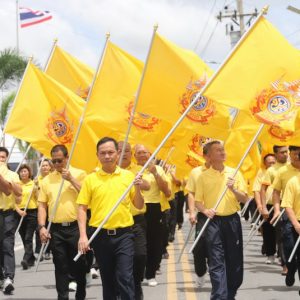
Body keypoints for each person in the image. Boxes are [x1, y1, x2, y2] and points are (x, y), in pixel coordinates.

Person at [77, 137, 144, 300]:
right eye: (103, 153)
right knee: (108, 280)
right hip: (100, 236)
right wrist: (83, 235)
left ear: (117, 154)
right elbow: (82, 208)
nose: (107, 156)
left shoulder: (128, 177)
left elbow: (139, 205)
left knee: (125, 277)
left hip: (124, 235)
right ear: (98, 155)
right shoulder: (90, 179)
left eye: (110, 152)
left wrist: (137, 186)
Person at [195, 140, 247, 300]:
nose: (222, 152)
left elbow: (245, 198)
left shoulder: (235, 173)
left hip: (232, 221)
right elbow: (198, 201)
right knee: (216, 259)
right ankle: (219, 295)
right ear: (209, 156)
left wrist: (234, 189)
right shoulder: (203, 176)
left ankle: (231, 291)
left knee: (234, 259)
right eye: (218, 150)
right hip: (212, 222)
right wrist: (205, 210)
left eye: (223, 149)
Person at [38, 145, 87, 300]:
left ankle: (81, 292)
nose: (57, 164)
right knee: (60, 265)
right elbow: (42, 205)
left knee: (79, 265)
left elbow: (88, 195)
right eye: (54, 161)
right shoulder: (46, 180)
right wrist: (42, 227)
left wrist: (71, 179)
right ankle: (62, 297)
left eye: (60, 160)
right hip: (56, 230)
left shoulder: (79, 174)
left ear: (67, 158)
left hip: (75, 228)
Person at [134, 144, 170, 287]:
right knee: (138, 244)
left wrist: (155, 173)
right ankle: (138, 271)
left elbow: (167, 191)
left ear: (150, 154)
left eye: (145, 152)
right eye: (139, 152)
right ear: (134, 155)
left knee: (154, 242)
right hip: (136, 208)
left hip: (154, 208)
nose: (142, 155)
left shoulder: (159, 169)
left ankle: (150, 273)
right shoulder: (131, 169)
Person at [118, 141, 149, 300]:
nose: (123, 153)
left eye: (127, 151)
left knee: (140, 255)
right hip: (118, 223)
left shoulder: (138, 169)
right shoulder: (111, 172)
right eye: (120, 150)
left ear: (132, 154)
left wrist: (136, 181)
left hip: (136, 221)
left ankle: (136, 283)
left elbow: (147, 185)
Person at [272, 145, 300, 286]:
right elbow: (276, 192)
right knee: (288, 247)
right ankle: (290, 267)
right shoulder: (283, 172)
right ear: (291, 154)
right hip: (288, 213)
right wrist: (277, 210)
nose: (297, 157)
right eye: (295, 154)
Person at [260, 146, 288, 267]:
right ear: (276, 154)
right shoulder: (271, 170)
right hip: (273, 205)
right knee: (270, 232)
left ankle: (285, 260)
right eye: (282, 152)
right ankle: (272, 254)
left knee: (284, 233)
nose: (285, 154)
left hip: (289, 206)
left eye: (287, 152)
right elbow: (263, 189)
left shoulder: (293, 168)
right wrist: (263, 207)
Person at [186, 150, 210, 288]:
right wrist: (192, 212)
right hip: (202, 214)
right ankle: (200, 273)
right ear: (205, 156)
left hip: (221, 215)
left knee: (217, 248)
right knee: (199, 247)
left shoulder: (227, 172)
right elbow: (191, 193)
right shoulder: (196, 172)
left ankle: (216, 273)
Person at [0, 146, 22, 295]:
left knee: (7, 244)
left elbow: (15, 192)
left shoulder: (13, 175)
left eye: (2, 157)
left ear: (6, 158)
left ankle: (9, 277)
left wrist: (4, 180)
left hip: (7, 214)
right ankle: (2, 277)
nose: (0, 159)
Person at [252, 153, 276, 259]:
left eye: (273, 162)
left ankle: (282, 255)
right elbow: (257, 190)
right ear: (265, 163)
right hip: (267, 205)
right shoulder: (261, 173)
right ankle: (270, 252)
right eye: (269, 162)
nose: (271, 164)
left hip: (280, 205)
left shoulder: (281, 171)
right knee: (267, 229)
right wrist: (260, 205)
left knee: (282, 231)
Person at [281, 164, 300, 297]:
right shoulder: (293, 182)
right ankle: (291, 269)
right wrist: (296, 225)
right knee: (290, 252)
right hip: (295, 223)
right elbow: (287, 205)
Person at [15, 164, 39, 270]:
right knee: (23, 236)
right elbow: (12, 200)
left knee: (28, 237)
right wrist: (19, 211)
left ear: (29, 173)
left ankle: (25, 258)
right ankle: (31, 258)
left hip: (32, 213)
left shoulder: (33, 184)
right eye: (21, 171)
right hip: (19, 213)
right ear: (19, 173)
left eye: (25, 171)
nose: (23, 173)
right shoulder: (16, 184)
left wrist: (37, 188)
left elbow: (39, 198)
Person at [35, 159, 53, 260]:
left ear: (50, 167)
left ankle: (48, 250)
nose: (45, 167)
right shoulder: (38, 179)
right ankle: (39, 251)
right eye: (42, 165)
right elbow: (37, 197)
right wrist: (37, 186)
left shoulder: (52, 178)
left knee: (50, 230)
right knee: (40, 229)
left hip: (51, 209)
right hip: (41, 208)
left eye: (46, 165)